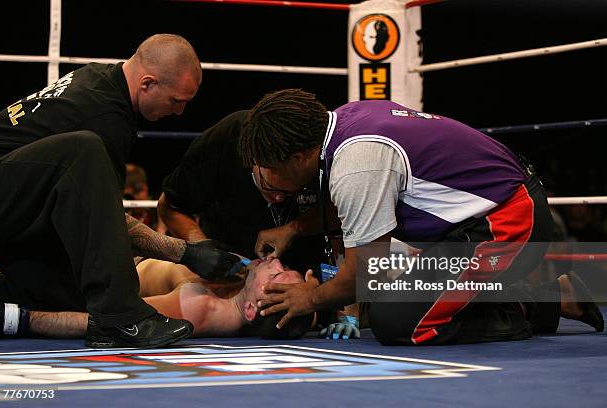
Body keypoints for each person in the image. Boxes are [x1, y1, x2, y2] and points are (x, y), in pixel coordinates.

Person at [238, 89, 603, 346]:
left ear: (300, 155)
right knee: (395, 285)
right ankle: (557, 298)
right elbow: (353, 211)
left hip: (508, 221)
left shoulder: (356, 164)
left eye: (269, 168)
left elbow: (364, 274)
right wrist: (292, 228)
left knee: (398, 321)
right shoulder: (346, 120)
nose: (266, 179)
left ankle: (533, 306)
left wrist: (310, 298)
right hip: (475, 219)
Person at [0, 34, 239, 348]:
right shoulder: (103, 116)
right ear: (148, 83)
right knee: (84, 150)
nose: (179, 112)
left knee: (72, 299)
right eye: (177, 100)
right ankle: (122, 318)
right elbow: (105, 219)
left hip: (15, 203)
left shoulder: (102, 78)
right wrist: (185, 252)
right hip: (8, 197)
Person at [158, 110, 327, 273]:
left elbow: (345, 212)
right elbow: (170, 206)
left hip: (310, 275)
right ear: (254, 159)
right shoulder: (225, 140)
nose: (277, 198)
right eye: (270, 186)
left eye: (291, 192)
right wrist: (202, 249)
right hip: (228, 273)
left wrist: (294, 228)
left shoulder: (323, 152)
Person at [0, 258, 314, 340]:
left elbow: (108, 323)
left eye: (275, 274)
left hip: (59, 288)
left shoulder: (199, 308)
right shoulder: (224, 295)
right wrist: (322, 309)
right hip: (91, 277)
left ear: (250, 309)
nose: (275, 262)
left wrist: (19, 320)